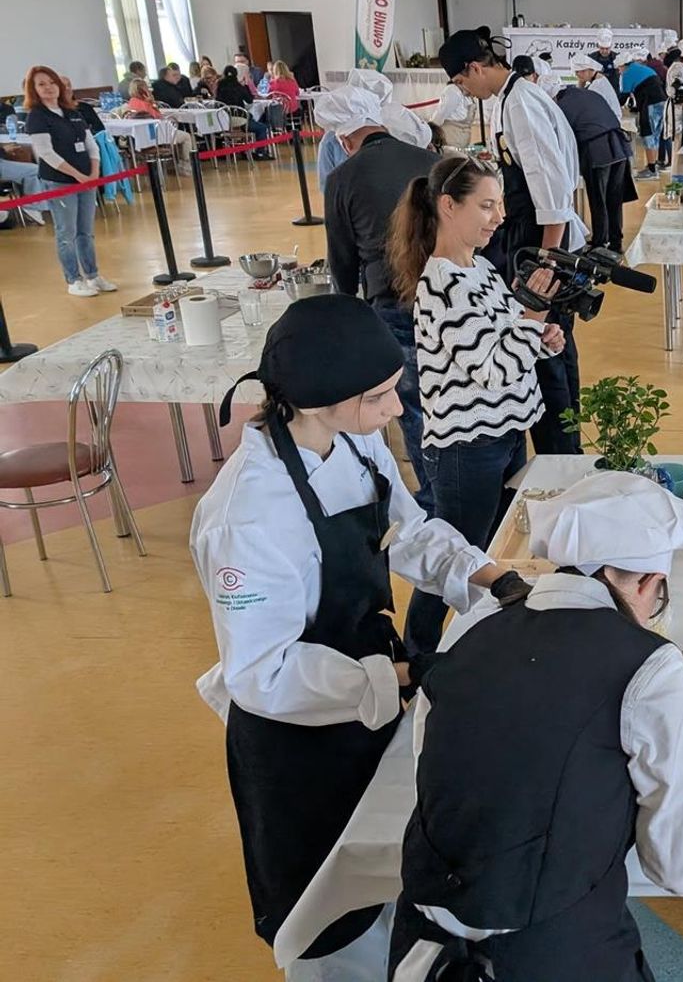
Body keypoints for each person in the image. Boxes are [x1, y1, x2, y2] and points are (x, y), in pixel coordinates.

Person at [192, 295, 519, 982]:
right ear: (317, 401)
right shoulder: (248, 515)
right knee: (326, 922)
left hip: (369, 692)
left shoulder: (353, 438)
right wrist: (403, 675)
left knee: (385, 875)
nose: (396, 408)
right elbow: (263, 672)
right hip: (295, 739)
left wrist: (496, 578)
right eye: (378, 397)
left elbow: (408, 530)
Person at [387, 472, 683, 982]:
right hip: (551, 954)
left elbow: (439, 774)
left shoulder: (471, 631)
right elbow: (679, 869)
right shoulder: (651, 666)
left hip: (420, 948)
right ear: (647, 582)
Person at [385, 155, 564, 656]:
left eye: (500, 205)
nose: (499, 217)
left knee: (493, 549)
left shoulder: (481, 269)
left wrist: (541, 337)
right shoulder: (440, 285)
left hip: (505, 435)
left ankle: (489, 637)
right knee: (455, 557)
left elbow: (507, 341)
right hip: (467, 448)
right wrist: (532, 317)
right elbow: (491, 368)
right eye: (486, 206)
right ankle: (416, 654)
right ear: (448, 206)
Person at [437, 29, 585, 457]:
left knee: (546, 349)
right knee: (549, 346)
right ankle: (560, 449)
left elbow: (551, 192)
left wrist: (546, 264)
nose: (465, 91)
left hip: (544, 244)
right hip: (533, 238)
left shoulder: (521, 103)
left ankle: (561, 456)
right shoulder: (512, 98)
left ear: (474, 67)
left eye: (462, 82)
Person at [315, 85, 441, 512]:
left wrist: (345, 309)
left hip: (392, 300)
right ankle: (462, 488)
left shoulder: (342, 178)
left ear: (343, 139)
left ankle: (434, 498)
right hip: (446, 295)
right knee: (452, 396)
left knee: (413, 405)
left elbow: (342, 257)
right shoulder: (430, 162)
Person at [22, 67, 114, 296]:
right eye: (41, 84)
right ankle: (74, 279)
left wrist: (93, 173)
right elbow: (46, 153)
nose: (49, 87)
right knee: (67, 233)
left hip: (86, 179)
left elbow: (90, 143)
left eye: (52, 82)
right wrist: (77, 175)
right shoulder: (37, 117)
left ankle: (92, 275)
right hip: (60, 181)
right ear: (33, 90)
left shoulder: (71, 111)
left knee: (86, 231)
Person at [556, 68, 637, 254]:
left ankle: (600, 243)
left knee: (598, 198)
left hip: (597, 151)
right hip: (619, 145)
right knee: (614, 198)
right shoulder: (587, 94)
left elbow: (564, 139)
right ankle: (616, 243)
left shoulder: (562, 106)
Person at [125, 79, 195, 174]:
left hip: (140, 140)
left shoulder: (131, 103)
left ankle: (176, 164)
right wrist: (152, 103)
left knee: (178, 137)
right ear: (143, 90)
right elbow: (158, 117)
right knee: (186, 137)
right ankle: (185, 165)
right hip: (155, 136)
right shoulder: (145, 103)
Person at [617, 50, 666, 180]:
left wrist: (612, 106)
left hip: (650, 103)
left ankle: (651, 170)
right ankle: (653, 165)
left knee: (648, 135)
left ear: (622, 65)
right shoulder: (640, 68)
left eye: (619, 68)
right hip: (660, 102)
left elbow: (623, 97)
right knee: (655, 136)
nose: (619, 71)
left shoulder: (627, 73)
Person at [216, 65, 275, 159]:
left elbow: (217, 102)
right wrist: (245, 86)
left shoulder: (220, 87)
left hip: (224, 122)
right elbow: (249, 100)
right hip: (241, 121)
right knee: (262, 128)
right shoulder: (238, 86)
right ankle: (260, 153)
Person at [571, 54, 623, 122]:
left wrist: (580, 84)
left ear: (588, 70)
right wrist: (581, 82)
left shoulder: (596, 86)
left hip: (610, 122)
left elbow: (579, 104)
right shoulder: (600, 79)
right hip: (611, 119)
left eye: (578, 72)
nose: (576, 75)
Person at [429, 82, 474, 149]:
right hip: (450, 143)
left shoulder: (467, 92)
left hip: (462, 143)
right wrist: (429, 130)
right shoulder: (452, 90)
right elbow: (439, 116)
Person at [585, 26, 621, 94]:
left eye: (607, 49)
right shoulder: (592, 57)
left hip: (614, 91)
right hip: (596, 91)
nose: (604, 51)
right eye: (602, 48)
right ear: (598, 46)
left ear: (611, 46)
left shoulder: (617, 57)